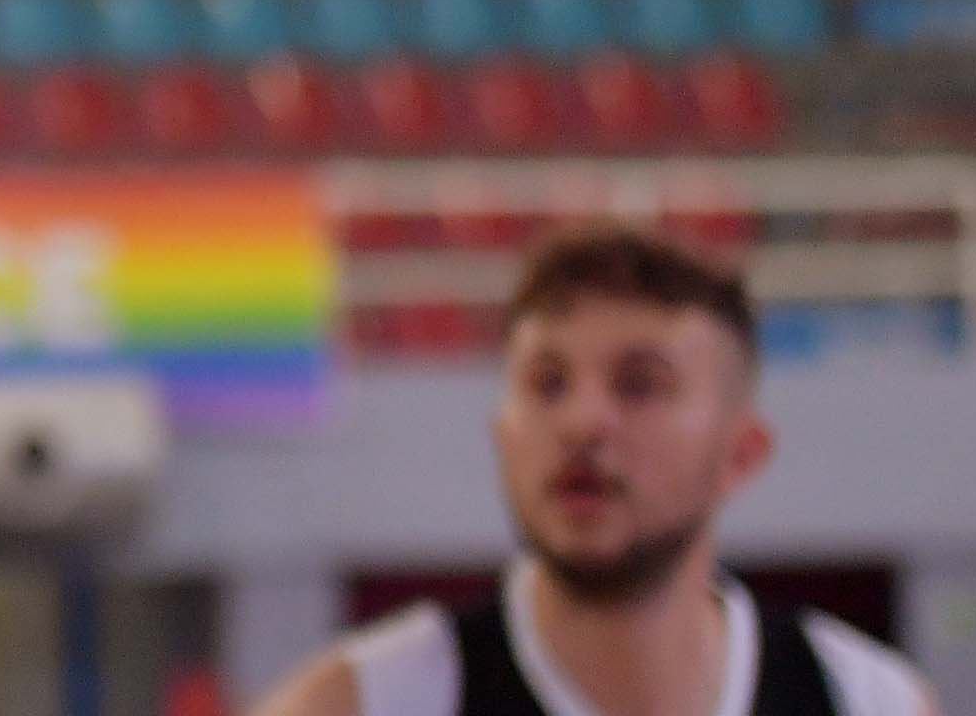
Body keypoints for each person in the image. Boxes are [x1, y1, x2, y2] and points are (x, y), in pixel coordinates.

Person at [247, 227, 934, 716]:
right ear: (503, 436)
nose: (582, 422)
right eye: (548, 383)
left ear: (740, 455)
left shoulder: (869, 701)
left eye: (640, 384)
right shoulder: (364, 703)